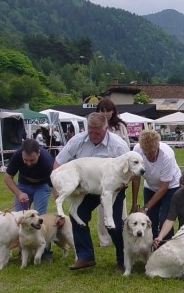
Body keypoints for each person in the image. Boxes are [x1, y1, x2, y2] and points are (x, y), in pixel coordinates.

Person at [54, 112, 130, 271]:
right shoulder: (77, 141)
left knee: (114, 224)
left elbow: (130, 171)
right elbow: (58, 163)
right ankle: (85, 257)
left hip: (114, 187)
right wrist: (58, 187)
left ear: (106, 128)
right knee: (78, 215)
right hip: (87, 187)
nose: (94, 135)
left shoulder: (118, 145)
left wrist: (122, 186)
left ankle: (123, 259)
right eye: (91, 132)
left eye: (98, 132)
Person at [4, 138, 56, 261]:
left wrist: (58, 202)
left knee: (39, 218)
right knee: (20, 219)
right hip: (23, 185)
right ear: (21, 153)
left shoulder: (47, 160)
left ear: (38, 153)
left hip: (42, 186)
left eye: (32, 160)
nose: (28, 163)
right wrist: (19, 193)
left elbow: (53, 185)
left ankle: (45, 251)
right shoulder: (17, 156)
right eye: (25, 160)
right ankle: (23, 251)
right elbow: (7, 178)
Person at [131, 129, 181, 239]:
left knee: (165, 218)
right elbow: (136, 178)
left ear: (157, 146)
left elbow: (163, 187)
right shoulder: (137, 150)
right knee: (150, 219)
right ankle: (151, 245)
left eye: (152, 153)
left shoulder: (167, 156)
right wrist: (134, 204)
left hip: (170, 186)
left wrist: (145, 208)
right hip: (150, 185)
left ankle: (166, 245)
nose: (148, 156)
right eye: (146, 153)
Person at [96, 98, 129, 247]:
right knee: (102, 206)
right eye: (102, 110)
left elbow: (126, 147)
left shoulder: (120, 126)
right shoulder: (95, 126)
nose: (105, 113)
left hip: (118, 171)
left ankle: (123, 233)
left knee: (120, 207)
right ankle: (104, 240)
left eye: (108, 110)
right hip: (102, 171)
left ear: (113, 111)